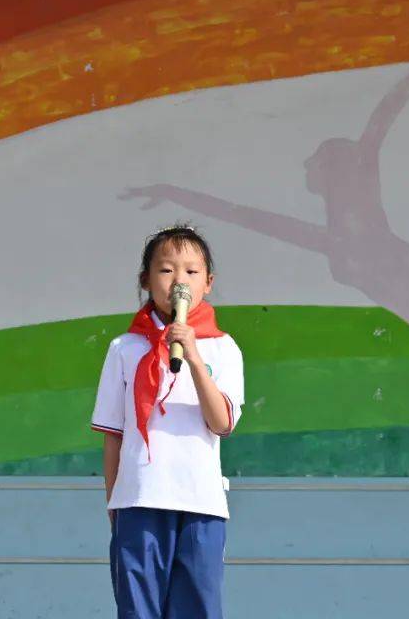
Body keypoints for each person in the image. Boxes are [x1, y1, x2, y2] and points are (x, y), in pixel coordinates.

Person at [120, 45, 409, 476]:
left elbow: (382, 116)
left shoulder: (359, 179)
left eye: (314, 164)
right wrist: (171, 192)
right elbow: (243, 214)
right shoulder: (331, 239)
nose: (306, 168)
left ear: (334, 167)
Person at [91, 224, 245, 619]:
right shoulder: (124, 349)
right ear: (145, 279)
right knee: (138, 610)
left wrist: (193, 356)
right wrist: (115, 504)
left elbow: (222, 422)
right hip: (139, 500)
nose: (179, 281)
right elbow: (114, 436)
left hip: (201, 504)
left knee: (198, 608)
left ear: (208, 283)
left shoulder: (222, 348)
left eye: (192, 272)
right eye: (166, 270)